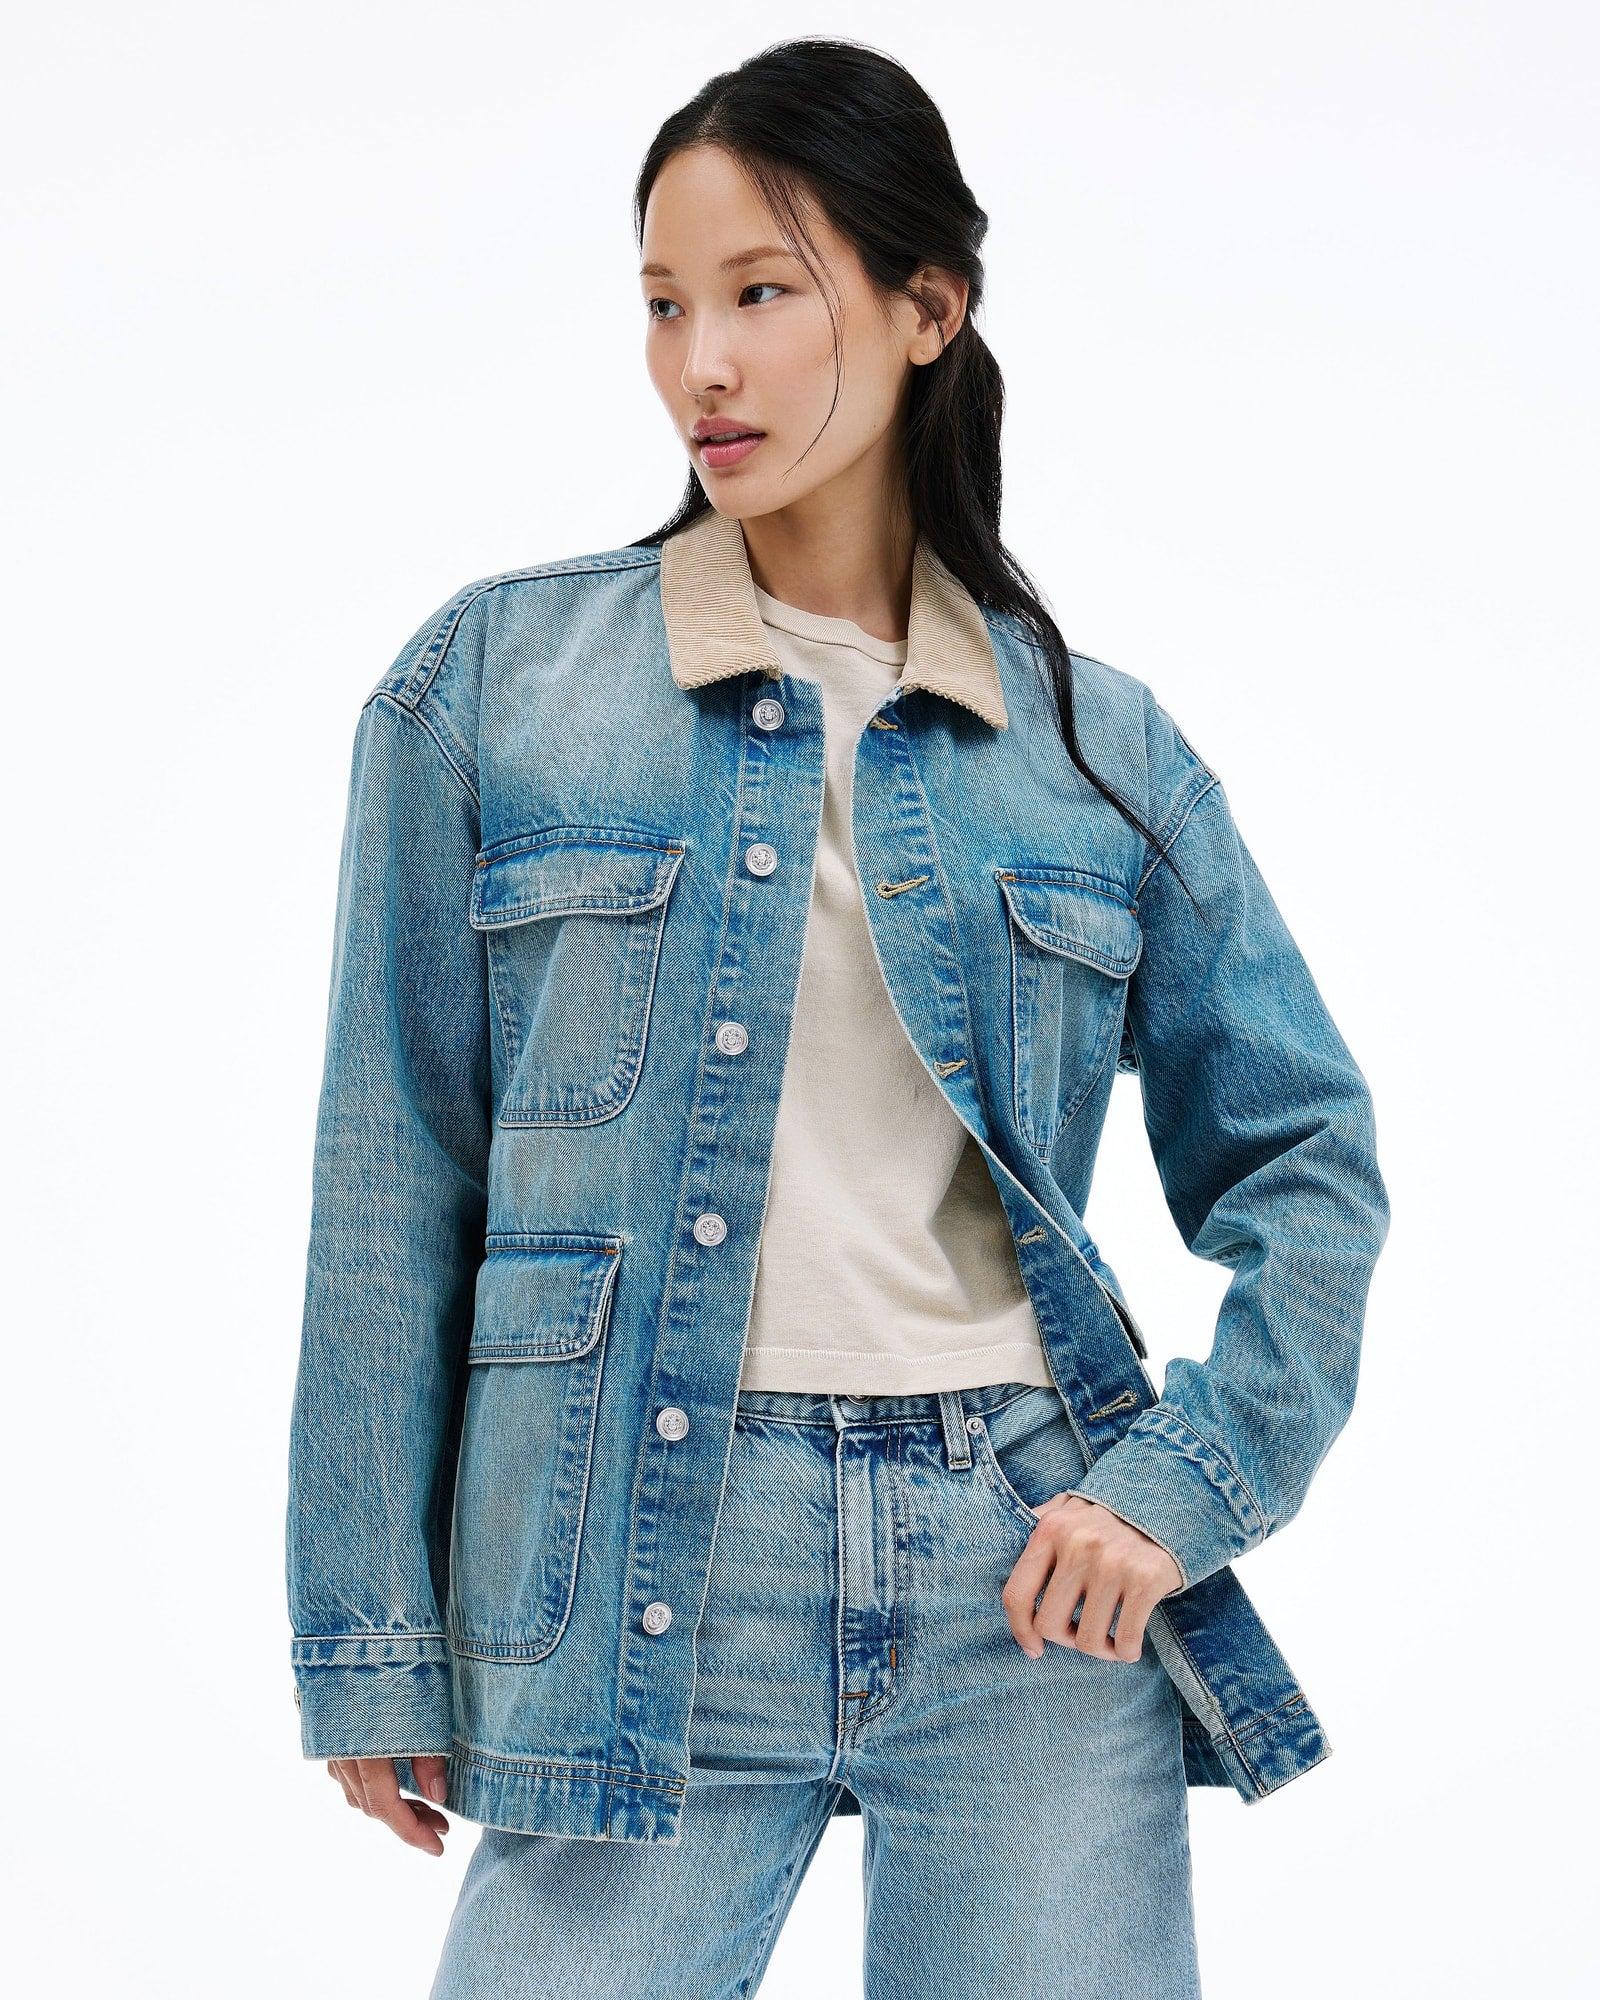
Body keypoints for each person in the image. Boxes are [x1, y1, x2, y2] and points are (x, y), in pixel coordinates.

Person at [285, 36, 1389, 2000]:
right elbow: (395, 1170)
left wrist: (1174, 1494)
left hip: (1020, 1574)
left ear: (924, 310)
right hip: (642, 1559)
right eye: (662, 304)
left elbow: (1306, 1163)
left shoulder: (1093, 749)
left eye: (759, 293)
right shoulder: (495, 688)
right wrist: (369, 1635)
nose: (699, 363)